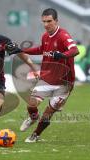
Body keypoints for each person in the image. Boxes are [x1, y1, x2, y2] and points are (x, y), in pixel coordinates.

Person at [19, 8, 79, 142]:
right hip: (46, 79)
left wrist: (63, 55)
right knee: (31, 105)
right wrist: (22, 50)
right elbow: (41, 49)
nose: (46, 24)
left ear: (56, 21)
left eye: (49, 21)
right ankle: (33, 118)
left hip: (64, 83)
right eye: (44, 21)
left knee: (48, 113)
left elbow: (75, 50)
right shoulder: (45, 36)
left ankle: (35, 135)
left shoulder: (63, 35)